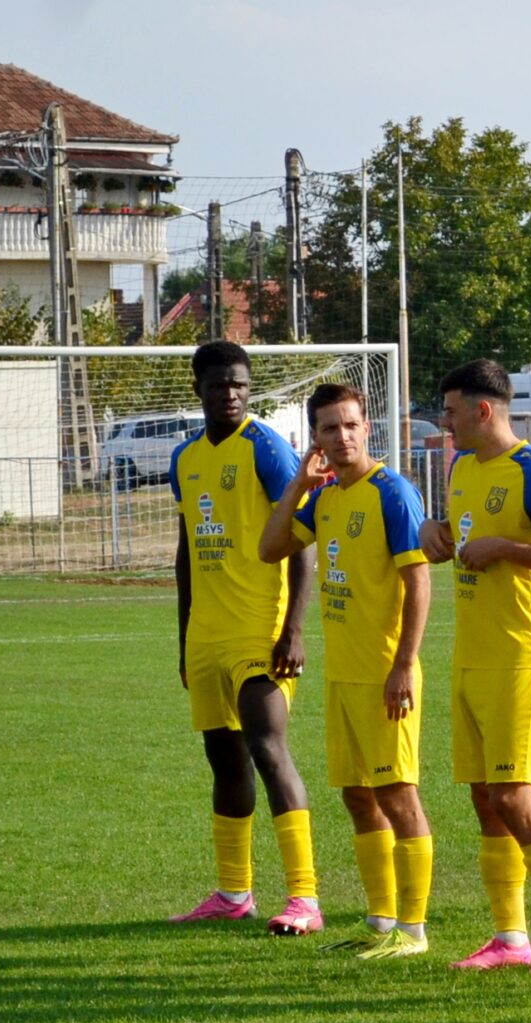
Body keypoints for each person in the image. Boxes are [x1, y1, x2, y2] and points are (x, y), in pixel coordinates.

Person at [419, 359, 531, 971]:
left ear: (484, 410)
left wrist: (505, 550)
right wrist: (434, 532)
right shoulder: (463, 467)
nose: (445, 422)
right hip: (470, 653)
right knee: (483, 797)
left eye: (450, 411)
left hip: (520, 654)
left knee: (513, 796)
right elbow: (463, 532)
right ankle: (510, 936)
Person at [255, 383, 432, 959]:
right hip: (342, 678)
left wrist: (404, 664)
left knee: (399, 795)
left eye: (351, 425)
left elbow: (419, 581)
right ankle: (381, 922)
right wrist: (299, 486)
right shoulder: (326, 498)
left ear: (367, 429)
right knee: (358, 796)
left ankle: (414, 929)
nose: (343, 436)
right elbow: (271, 547)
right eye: (330, 428)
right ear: (317, 439)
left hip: (385, 673)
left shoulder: (392, 492)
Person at [168, 340, 325, 935]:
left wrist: (294, 629)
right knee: (223, 758)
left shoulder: (267, 448)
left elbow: (301, 535)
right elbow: (186, 552)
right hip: (207, 633)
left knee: (267, 749)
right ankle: (234, 893)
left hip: (261, 627)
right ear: (199, 389)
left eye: (238, 384)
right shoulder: (186, 458)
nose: (230, 394)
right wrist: (185, 638)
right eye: (218, 384)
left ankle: (305, 899)